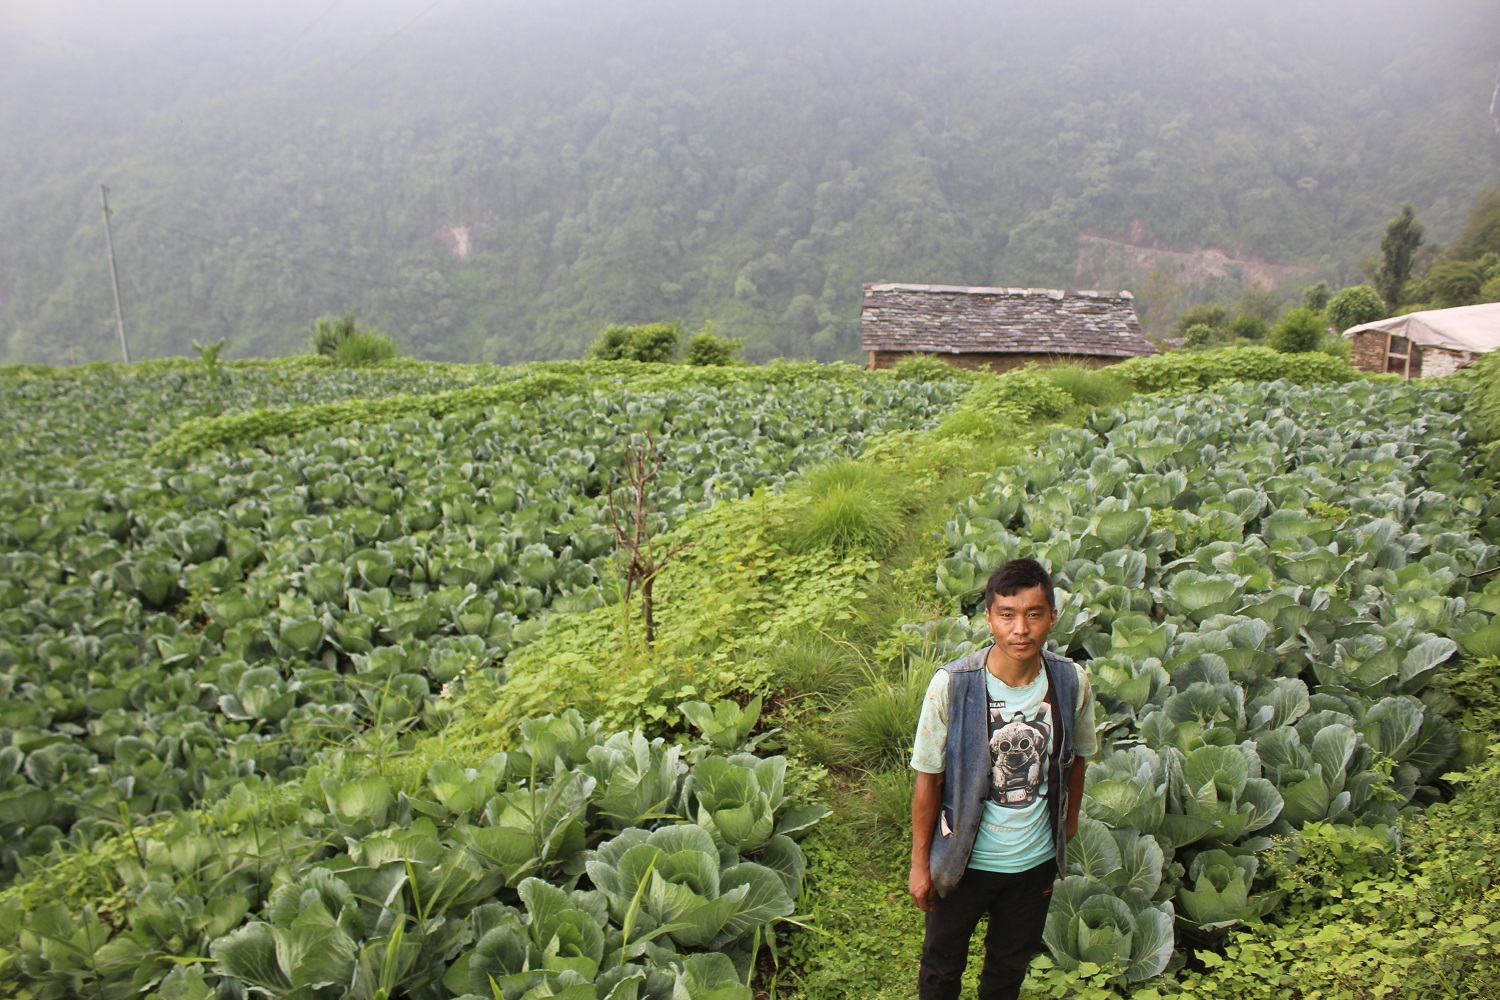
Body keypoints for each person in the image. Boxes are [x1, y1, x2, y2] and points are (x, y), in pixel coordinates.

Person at [908, 557, 1097, 1000]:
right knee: (941, 966)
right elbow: (928, 780)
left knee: (1008, 969)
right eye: (1007, 615)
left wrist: (1065, 830)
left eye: (1034, 614)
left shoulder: (1071, 682)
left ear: (1052, 617)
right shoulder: (953, 685)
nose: (1021, 630)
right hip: (963, 863)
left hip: (1034, 864)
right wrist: (920, 864)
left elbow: (1079, 761)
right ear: (989, 618)